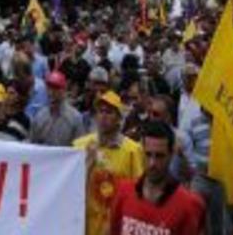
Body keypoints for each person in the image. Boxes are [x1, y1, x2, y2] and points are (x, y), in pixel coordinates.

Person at [110, 120, 205, 235]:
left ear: (171, 155)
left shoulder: (189, 205)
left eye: (159, 156)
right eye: (148, 154)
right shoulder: (123, 191)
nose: (152, 163)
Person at [73, 91, 144, 235]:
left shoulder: (133, 150)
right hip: (85, 225)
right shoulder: (80, 146)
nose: (103, 116)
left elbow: (138, 192)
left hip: (117, 226)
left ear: (119, 118)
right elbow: (71, 187)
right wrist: (88, 165)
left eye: (109, 112)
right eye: (100, 111)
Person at [182, 109, 230, 235]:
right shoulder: (193, 122)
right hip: (200, 177)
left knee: (219, 223)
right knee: (194, 216)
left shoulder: (226, 122)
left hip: (221, 179)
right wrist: (192, 168)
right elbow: (188, 150)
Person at [29, 71, 85, 146]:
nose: (51, 92)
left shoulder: (75, 118)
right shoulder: (40, 116)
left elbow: (79, 148)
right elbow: (32, 144)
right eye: (49, 88)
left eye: (56, 88)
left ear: (64, 90)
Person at [177, 63, 201, 132]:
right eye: (187, 77)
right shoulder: (177, 95)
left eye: (193, 77)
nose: (189, 80)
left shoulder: (203, 96)